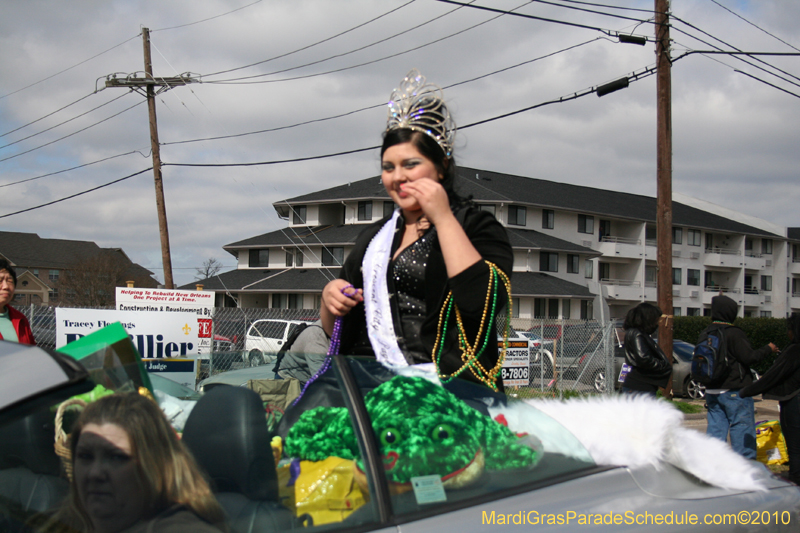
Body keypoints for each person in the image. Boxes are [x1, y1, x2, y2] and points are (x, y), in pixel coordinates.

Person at [320, 69, 513, 391]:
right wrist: (329, 303)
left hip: (448, 394)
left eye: (411, 164)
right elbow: (336, 330)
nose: (398, 177)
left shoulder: (476, 226)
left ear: (442, 167)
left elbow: (482, 304)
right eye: (388, 167)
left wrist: (444, 218)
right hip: (369, 389)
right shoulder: (374, 239)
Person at [40, 392, 226, 533]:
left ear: (157, 465)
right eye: (85, 456)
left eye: (116, 457)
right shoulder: (55, 522)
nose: (95, 473)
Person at [702, 294, 778, 460]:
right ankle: (744, 467)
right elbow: (749, 357)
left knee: (716, 429)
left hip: (712, 390)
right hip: (735, 390)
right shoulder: (734, 333)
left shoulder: (706, 333)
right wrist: (768, 349)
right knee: (741, 427)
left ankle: (712, 466)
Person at [739, 313, 800, 484]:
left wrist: (747, 391)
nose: (788, 333)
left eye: (789, 329)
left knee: (795, 446)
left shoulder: (794, 350)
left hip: (794, 402)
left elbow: (773, 376)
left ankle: (796, 480)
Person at [620, 302, 672, 396]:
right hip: (640, 386)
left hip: (639, 385)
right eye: (656, 320)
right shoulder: (637, 334)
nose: (657, 323)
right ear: (648, 319)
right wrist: (662, 365)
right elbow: (643, 358)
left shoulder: (635, 333)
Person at [0, 258, 35, 345]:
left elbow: (32, 354)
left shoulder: (20, 319)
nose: (6, 286)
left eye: (10, 281)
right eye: (0, 280)